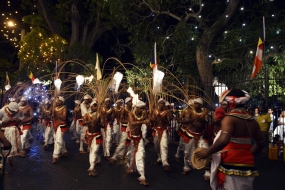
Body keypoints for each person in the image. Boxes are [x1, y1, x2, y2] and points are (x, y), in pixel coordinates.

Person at [195, 89, 264, 190]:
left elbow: (223, 140)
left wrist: (208, 152)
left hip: (230, 163)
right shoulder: (253, 121)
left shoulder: (229, 119)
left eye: (225, 104)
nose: (224, 107)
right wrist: (247, 153)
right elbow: (261, 143)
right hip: (248, 165)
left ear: (231, 104)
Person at [178, 97, 209, 175]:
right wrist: (183, 120)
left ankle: (207, 171)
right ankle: (186, 167)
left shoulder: (204, 112)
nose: (194, 105)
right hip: (190, 134)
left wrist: (199, 118)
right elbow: (184, 120)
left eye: (197, 104)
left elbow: (206, 121)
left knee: (205, 151)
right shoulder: (190, 112)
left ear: (201, 105)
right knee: (187, 152)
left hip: (201, 135)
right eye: (194, 103)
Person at [126, 100, 150, 186]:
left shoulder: (143, 114)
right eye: (141, 109)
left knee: (140, 155)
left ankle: (142, 176)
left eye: (143, 109)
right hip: (131, 137)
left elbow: (148, 122)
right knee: (131, 154)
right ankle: (131, 167)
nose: (142, 110)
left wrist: (147, 116)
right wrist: (144, 121)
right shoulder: (131, 114)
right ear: (136, 108)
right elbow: (132, 123)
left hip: (139, 138)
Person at [110, 97, 133, 164]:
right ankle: (114, 157)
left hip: (132, 129)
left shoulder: (133, 109)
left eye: (131, 101)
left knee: (129, 143)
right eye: (130, 102)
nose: (131, 103)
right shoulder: (124, 110)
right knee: (122, 142)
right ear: (127, 103)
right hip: (125, 128)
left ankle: (126, 157)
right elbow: (121, 120)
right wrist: (129, 121)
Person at [151, 98, 171, 171]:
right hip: (156, 130)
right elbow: (153, 121)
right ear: (158, 104)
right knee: (156, 145)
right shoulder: (155, 111)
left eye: (163, 103)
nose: (161, 105)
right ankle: (159, 157)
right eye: (160, 103)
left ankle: (165, 162)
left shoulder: (166, 112)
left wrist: (162, 119)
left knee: (164, 145)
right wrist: (157, 117)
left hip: (164, 130)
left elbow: (168, 122)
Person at [85, 101, 103, 176]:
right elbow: (83, 123)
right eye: (94, 105)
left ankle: (92, 167)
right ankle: (98, 159)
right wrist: (90, 121)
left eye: (96, 105)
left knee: (94, 150)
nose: (95, 107)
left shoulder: (100, 115)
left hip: (97, 135)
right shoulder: (87, 114)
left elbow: (103, 125)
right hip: (89, 135)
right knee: (92, 150)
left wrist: (98, 123)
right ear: (91, 107)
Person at [52, 96, 68, 164]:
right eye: (57, 101)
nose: (57, 102)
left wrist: (57, 114)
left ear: (62, 102)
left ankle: (55, 156)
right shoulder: (55, 108)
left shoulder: (64, 108)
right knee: (58, 138)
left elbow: (64, 117)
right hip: (55, 124)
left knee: (58, 139)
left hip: (61, 125)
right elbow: (53, 117)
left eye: (58, 101)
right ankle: (64, 151)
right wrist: (52, 114)